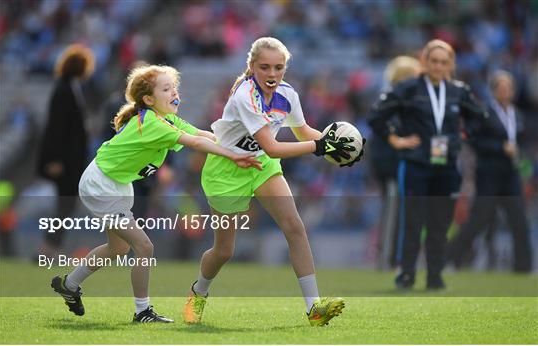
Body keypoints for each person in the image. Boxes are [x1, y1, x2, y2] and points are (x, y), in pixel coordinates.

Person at [51, 64, 262, 323]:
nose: (174, 92)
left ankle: (69, 284)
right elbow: (195, 143)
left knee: (118, 248)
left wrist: (242, 141)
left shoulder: (166, 118)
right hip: (101, 185)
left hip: (116, 184)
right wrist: (235, 154)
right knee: (144, 246)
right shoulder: (152, 122)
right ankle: (142, 311)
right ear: (149, 99)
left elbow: (202, 134)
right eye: (166, 89)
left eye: (174, 87)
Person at [182, 37, 363, 327]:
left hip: (262, 167)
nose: (272, 74)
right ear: (252, 67)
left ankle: (313, 308)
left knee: (295, 227)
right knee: (224, 251)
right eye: (264, 67)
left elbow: (302, 130)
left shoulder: (288, 94)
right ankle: (199, 291)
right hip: (226, 169)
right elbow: (274, 147)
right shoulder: (244, 95)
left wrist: (337, 144)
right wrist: (320, 148)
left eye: (278, 68)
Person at [368, 39, 488, 290]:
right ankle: (407, 274)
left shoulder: (458, 91)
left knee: (441, 223)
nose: (438, 66)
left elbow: (481, 119)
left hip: (446, 167)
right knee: (413, 221)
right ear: (425, 62)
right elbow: (377, 115)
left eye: (444, 62)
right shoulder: (409, 89)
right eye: (434, 61)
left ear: (451, 65)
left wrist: (463, 136)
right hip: (416, 164)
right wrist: (396, 139)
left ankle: (435, 275)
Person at [448, 71, 533, 272]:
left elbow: (521, 140)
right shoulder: (484, 112)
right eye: (501, 87)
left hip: (510, 174)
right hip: (489, 175)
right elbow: (473, 139)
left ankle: (523, 267)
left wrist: (518, 154)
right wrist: (499, 147)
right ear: (494, 91)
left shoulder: (517, 114)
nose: (505, 91)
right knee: (478, 220)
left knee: (519, 220)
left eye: (508, 87)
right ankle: (450, 255)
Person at [37, 44, 95, 258]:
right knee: (65, 205)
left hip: (71, 160)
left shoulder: (70, 87)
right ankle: (48, 248)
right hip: (64, 161)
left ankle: (50, 247)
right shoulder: (64, 90)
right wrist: (53, 159)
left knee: (66, 205)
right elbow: (56, 127)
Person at [370, 56, 421, 269]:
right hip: (392, 168)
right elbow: (382, 140)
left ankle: (395, 258)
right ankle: (386, 259)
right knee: (392, 213)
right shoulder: (389, 102)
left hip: (402, 167)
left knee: (400, 214)